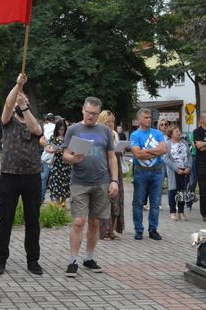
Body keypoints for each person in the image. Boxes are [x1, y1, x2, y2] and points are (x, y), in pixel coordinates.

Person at [0, 73, 43, 276]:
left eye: (25, 101)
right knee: (6, 219)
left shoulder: (33, 121)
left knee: (33, 220)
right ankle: (0, 259)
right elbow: (7, 104)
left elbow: (36, 130)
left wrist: (25, 106)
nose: (20, 104)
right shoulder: (7, 121)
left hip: (32, 175)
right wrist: (17, 85)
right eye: (18, 103)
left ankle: (33, 260)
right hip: (9, 175)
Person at [62, 97, 118, 277]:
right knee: (79, 221)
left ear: (98, 113)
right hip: (79, 182)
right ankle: (73, 260)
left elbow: (111, 157)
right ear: (82, 110)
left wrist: (114, 180)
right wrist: (72, 158)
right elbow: (65, 155)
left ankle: (89, 257)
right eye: (88, 113)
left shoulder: (105, 131)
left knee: (95, 222)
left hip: (101, 181)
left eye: (94, 114)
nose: (91, 116)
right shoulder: (73, 129)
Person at [130, 108, 166, 241]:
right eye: (146, 117)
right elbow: (137, 154)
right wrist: (155, 151)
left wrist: (147, 151)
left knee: (155, 203)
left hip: (157, 171)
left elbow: (164, 149)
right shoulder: (135, 135)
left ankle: (153, 229)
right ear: (139, 119)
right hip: (141, 172)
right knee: (138, 202)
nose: (149, 119)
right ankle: (138, 230)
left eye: (150, 117)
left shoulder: (157, 133)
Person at [97, 110, 125, 240]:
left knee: (116, 200)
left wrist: (121, 149)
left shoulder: (114, 134)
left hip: (115, 167)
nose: (111, 124)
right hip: (103, 168)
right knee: (104, 201)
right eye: (108, 122)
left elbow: (115, 150)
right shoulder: (98, 134)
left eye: (112, 122)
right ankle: (104, 231)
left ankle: (112, 230)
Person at [163, 125, 191, 221]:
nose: (179, 133)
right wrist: (176, 169)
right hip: (174, 171)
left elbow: (189, 155)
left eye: (179, 131)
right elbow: (165, 158)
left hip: (184, 170)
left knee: (182, 191)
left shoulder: (184, 142)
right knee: (173, 191)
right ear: (171, 134)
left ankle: (181, 212)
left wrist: (188, 167)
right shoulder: (167, 144)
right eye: (176, 132)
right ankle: (173, 212)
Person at [45, 120, 71, 207]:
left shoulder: (68, 138)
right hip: (57, 164)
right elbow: (47, 148)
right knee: (56, 183)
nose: (61, 131)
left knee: (65, 183)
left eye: (63, 129)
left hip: (66, 164)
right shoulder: (53, 137)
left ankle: (63, 202)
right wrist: (54, 150)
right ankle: (58, 204)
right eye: (60, 129)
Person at [39, 113, 56, 202]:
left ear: (46, 120)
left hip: (46, 155)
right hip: (55, 155)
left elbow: (42, 140)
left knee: (43, 178)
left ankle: (41, 197)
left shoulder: (44, 127)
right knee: (54, 178)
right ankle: (53, 196)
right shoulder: (56, 127)